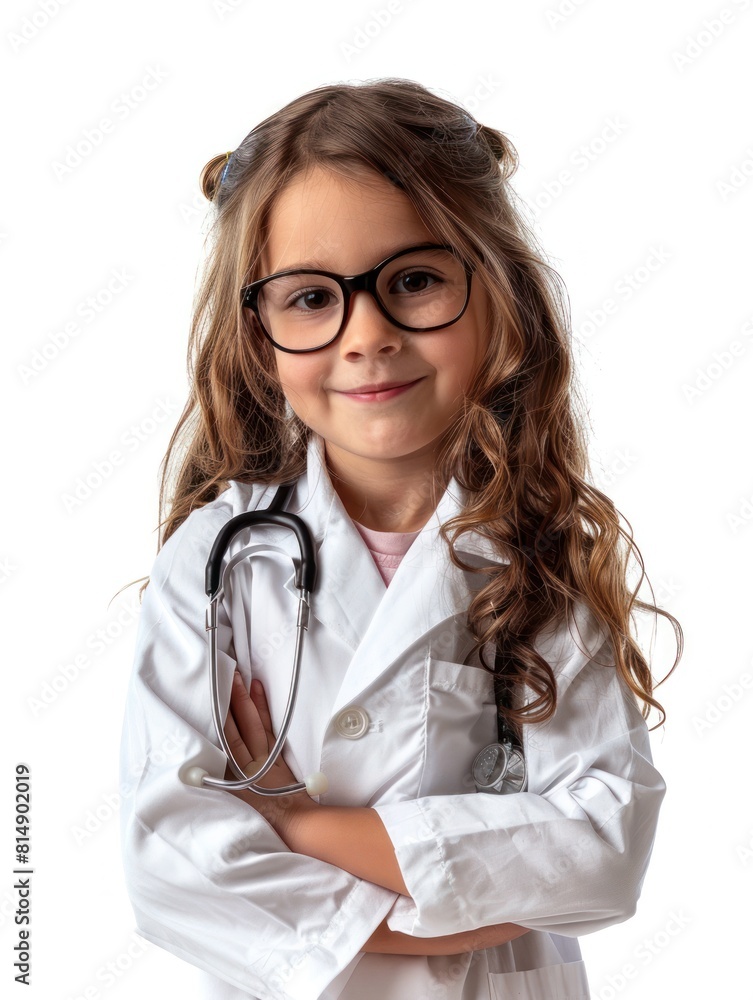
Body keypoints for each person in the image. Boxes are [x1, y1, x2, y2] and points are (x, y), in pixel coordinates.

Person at [118, 78, 682, 1000]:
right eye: (310, 298)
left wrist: (294, 822)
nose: (366, 334)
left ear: (495, 293)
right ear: (257, 333)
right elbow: (174, 864)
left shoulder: (540, 557)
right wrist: (467, 891)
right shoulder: (219, 565)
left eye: (413, 281)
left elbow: (603, 852)